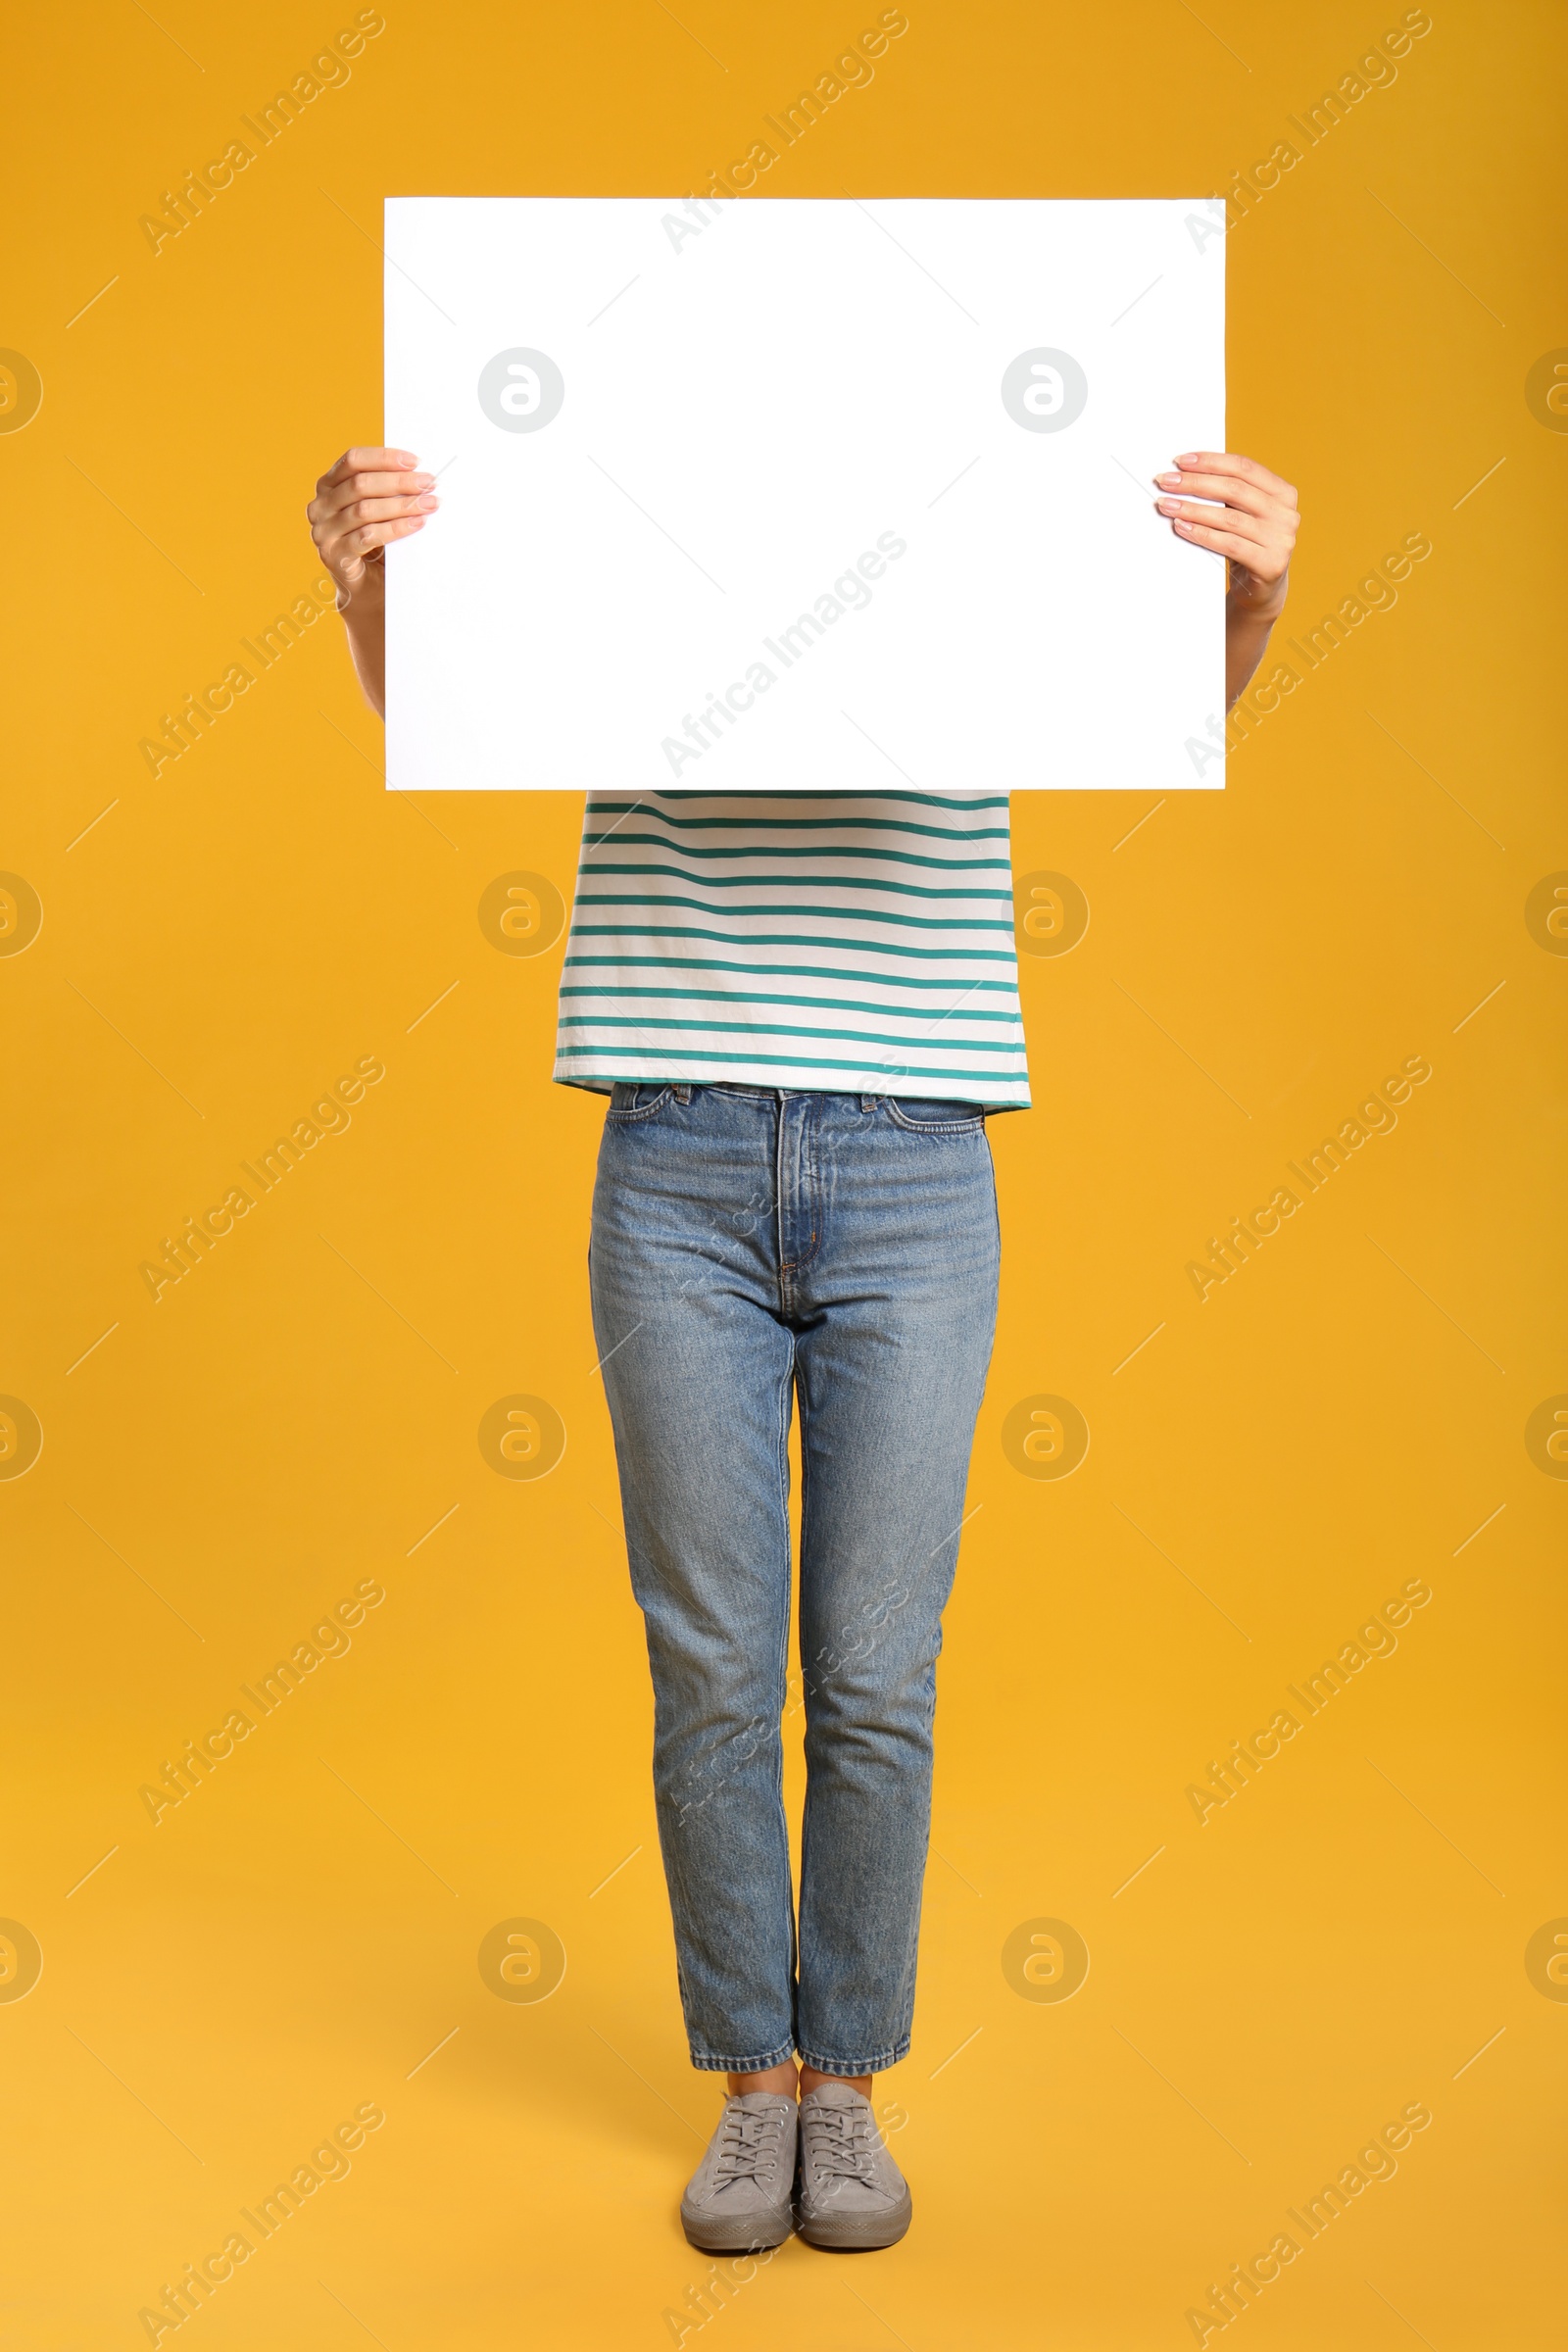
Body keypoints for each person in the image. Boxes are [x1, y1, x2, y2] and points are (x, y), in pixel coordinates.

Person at [308, 439, 1298, 2252]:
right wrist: (370, 585)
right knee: (710, 1662)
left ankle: (845, 2083)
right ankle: (750, 2081)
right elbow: (453, 700)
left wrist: (1244, 604)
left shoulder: (989, 482)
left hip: (916, 1155)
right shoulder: (621, 487)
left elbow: (1148, 711)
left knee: (872, 1668)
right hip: (672, 1148)